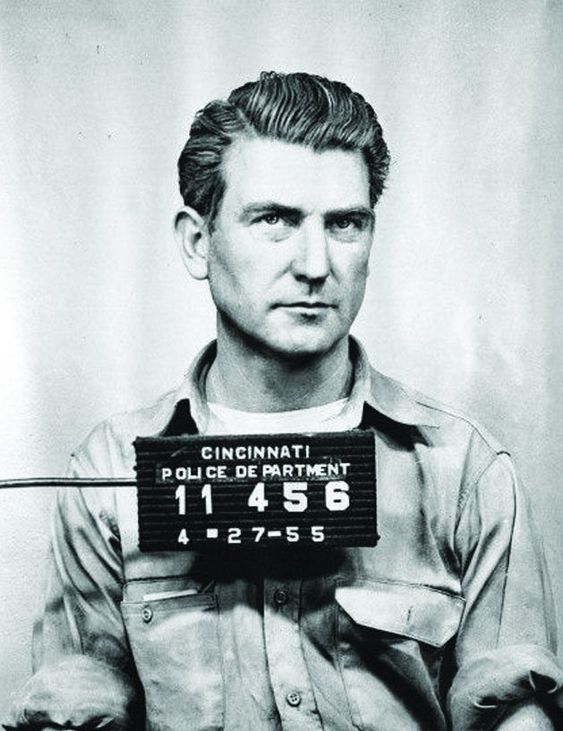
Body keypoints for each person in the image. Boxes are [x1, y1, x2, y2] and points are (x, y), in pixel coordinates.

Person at [6, 71, 563, 731]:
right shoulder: (108, 472)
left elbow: (514, 709)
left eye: (345, 224)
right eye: (274, 219)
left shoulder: (463, 468)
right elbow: (80, 704)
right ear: (197, 241)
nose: (315, 264)